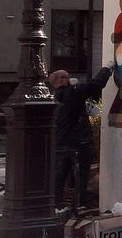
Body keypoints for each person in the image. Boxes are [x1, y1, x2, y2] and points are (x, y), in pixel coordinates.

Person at [48, 66, 113, 210]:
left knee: (60, 177)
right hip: (79, 143)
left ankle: (56, 207)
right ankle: (79, 207)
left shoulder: (52, 99)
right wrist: (107, 69)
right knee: (81, 177)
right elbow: (95, 85)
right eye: (66, 76)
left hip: (61, 144)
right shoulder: (73, 92)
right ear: (62, 79)